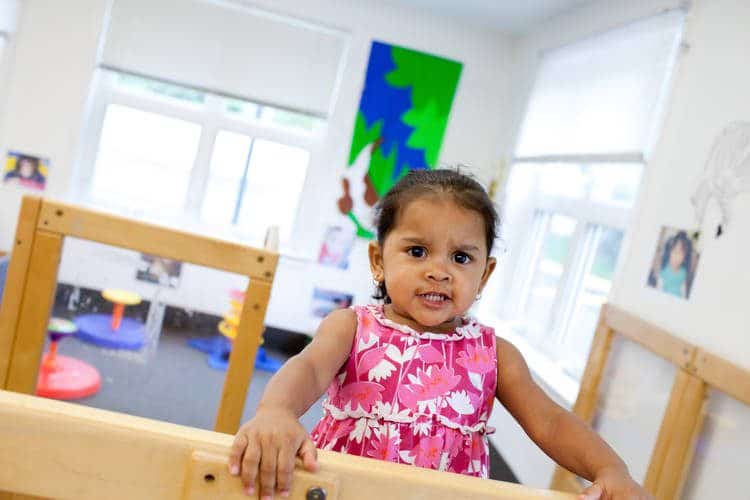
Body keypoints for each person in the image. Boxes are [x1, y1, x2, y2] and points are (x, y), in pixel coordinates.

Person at [229, 169, 651, 500]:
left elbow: (551, 421)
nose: (439, 269)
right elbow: (308, 367)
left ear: (484, 275)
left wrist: (610, 470)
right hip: (341, 490)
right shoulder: (353, 327)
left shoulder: (495, 354)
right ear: (378, 260)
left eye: (461, 257)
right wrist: (278, 411)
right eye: (417, 251)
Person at [658, 231, 692, 298]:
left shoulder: (683, 272)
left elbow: (683, 290)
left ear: (685, 256)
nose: (676, 256)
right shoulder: (664, 271)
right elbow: (659, 288)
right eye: (674, 251)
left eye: (680, 253)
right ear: (669, 252)